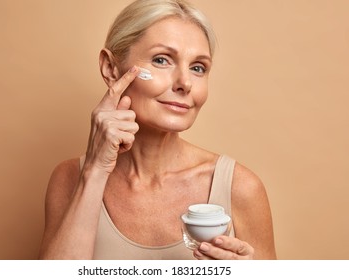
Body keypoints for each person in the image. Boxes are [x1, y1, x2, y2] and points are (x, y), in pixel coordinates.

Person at [38, 0, 276, 260]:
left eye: (198, 67)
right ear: (111, 68)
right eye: (162, 60)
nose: (185, 83)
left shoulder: (240, 188)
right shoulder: (69, 179)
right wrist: (95, 171)